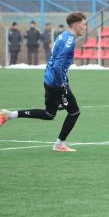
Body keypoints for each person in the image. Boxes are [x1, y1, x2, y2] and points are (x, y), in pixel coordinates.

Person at [0, 12, 87, 152]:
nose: (85, 27)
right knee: (74, 112)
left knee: (49, 114)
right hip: (56, 82)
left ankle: (10, 114)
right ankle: (59, 144)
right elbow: (58, 65)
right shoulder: (69, 41)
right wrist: (61, 84)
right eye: (83, 25)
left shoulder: (64, 35)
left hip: (49, 78)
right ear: (76, 25)